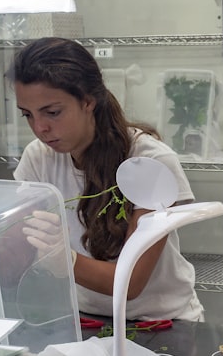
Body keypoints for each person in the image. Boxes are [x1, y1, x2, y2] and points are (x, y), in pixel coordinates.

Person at [10, 37, 204, 322]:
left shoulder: (149, 161)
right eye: (28, 115)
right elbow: (16, 243)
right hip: (88, 319)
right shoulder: (38, 158)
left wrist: (68, 261)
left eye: (52, 112)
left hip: (161, 321)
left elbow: (132, 283)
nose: (40, 128)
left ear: (88, 101)